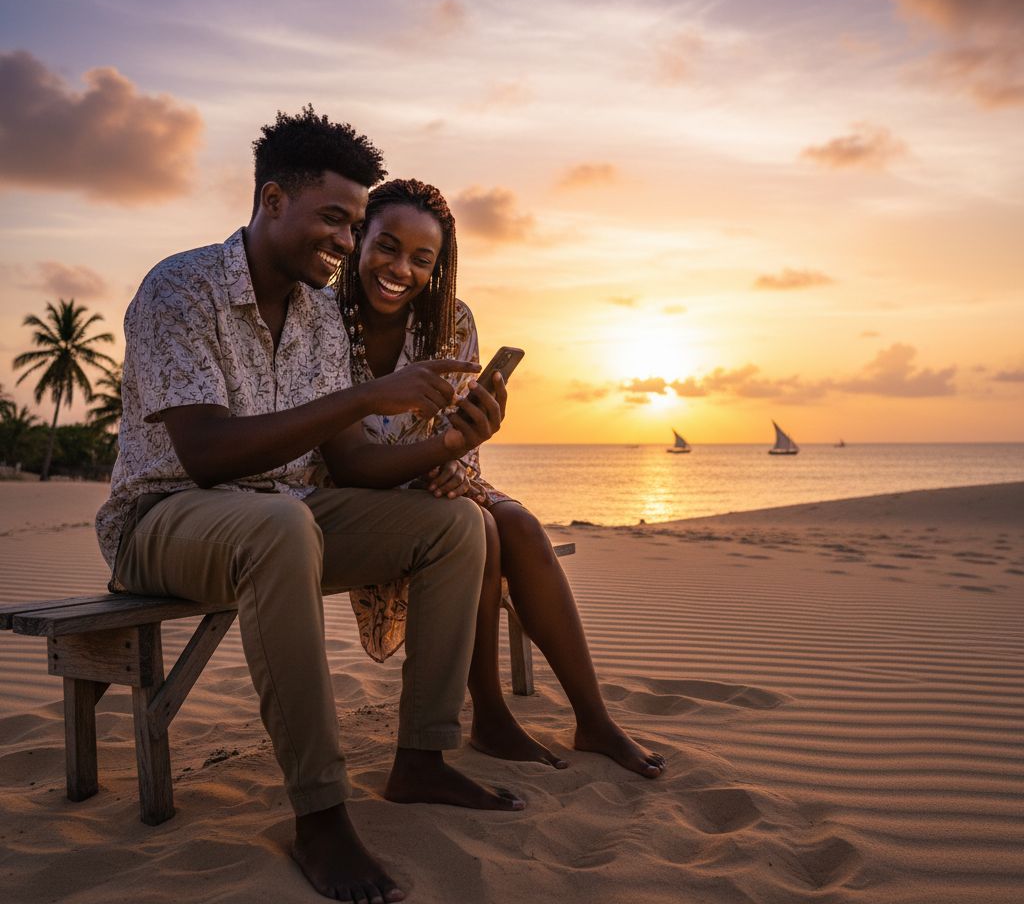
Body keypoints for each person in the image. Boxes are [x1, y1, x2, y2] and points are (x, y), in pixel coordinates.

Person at [94, 107, 522, 904]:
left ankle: (422, 760)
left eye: (353, 224)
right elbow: (207, 454)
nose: (347, 242)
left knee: (458, 524)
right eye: (336, 219)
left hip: (282, 512)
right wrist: (368, 392)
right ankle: (320, 813)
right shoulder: (179, 288)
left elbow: (353, 462)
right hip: (163, 517)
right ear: (271, 201)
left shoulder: (321, 315)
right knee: (281, 522)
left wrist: (451, 444)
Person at [325, 178, 666, 779]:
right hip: (350, 495)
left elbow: (457, 435)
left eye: (422, 259)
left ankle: (594, 719)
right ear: (357, 241)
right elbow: (339, 458)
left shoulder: (449, 320)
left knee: (520, 525)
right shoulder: (321, 320)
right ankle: (488, 714)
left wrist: (456, 460)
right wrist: (446, 456)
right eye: (386, 246)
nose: (400, 268)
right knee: (477, 526)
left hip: (431, 478)